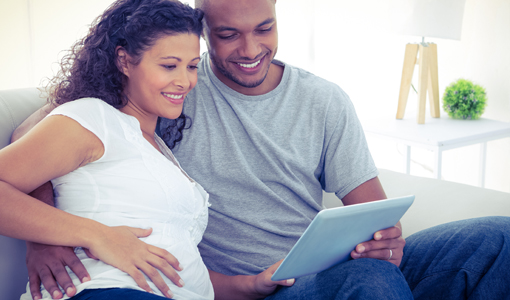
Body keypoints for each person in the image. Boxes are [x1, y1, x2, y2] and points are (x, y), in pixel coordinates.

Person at [13, 0, 510, 299]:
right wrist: (46, 237)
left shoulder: (322, 99)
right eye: (228, 35)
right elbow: (40, 129)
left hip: (330, 274)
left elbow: (374, 211)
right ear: (205, 31)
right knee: (370, 285)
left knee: (498, 238)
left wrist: (385, 238)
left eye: (264, 29)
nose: (249, 49)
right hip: (264, 289)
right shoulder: (173, 89)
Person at [0, 0, 215, 299]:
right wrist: (96, 235)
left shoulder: (153, 143)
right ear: (124, 61)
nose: (185, 81)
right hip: (107, 290)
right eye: (169, 66)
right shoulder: (95, 117)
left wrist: (251, 285)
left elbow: (170, 254)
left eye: (192, 66)